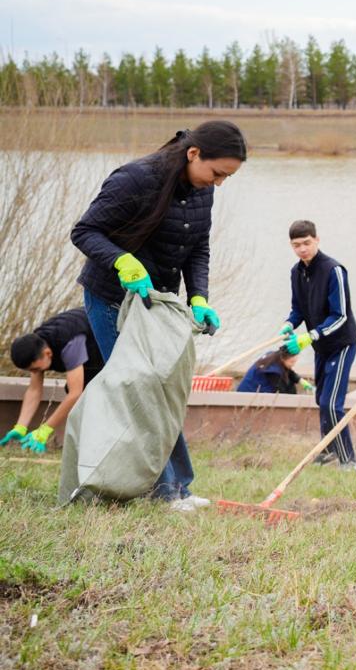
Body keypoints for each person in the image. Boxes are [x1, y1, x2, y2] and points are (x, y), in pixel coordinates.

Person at [71, 120, 246, 511]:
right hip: (112, 297)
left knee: (163, 387)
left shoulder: (202, 191)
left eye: (227, 178)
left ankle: (179, 487)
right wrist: (122, 261)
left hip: (158, 304)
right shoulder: (136, 179)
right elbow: (85, 231)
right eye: (217, 173)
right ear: (193, 153)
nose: (219, 183)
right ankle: (163, 491)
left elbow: (198, 246)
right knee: (141, 388)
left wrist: (199, 296)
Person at [279, 220, 356, 470]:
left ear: (317, 240)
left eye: (306, 243)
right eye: (296, 245)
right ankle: (328, 451)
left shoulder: (333, 270)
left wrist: (310, 335)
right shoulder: (296, 272)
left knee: (331, 403)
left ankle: (349, 461)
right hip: (320, 346)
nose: (302, 249)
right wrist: (289, 324)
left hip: (342, 343)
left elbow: (341, 315)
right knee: (320, 399)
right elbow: (298, 309)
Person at [3, 308, 105, 453]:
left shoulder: (69, 343)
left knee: (88, 395)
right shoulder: (37, 344)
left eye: (35, 369)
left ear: (48, 353)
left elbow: (76, 393)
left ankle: (97, 449)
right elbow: (34, 389)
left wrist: (45, 430)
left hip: (104, 345)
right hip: (89, 354)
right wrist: (20, 427)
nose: (34, 373)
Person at [236, 348, 312, 395]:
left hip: (247, 390)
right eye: (292, 362)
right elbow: (282, 392)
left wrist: (300, 380)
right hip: (248, 393)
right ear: (283, 359)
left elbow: (289, 371)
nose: (293, 365)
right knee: (288, 386)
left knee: (289, 381)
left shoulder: (274, 355)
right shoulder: (273, 371)